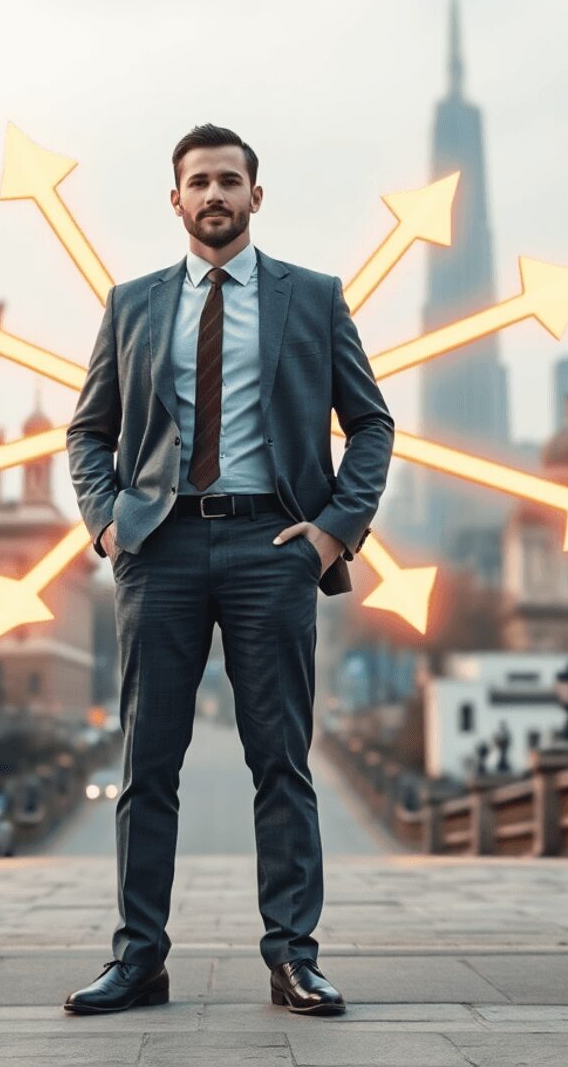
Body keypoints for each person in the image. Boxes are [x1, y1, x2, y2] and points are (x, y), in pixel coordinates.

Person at [64, 123, 394, 1016]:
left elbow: (371, 423)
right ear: (175, 200)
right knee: (148, 764)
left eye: (229, 181)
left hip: (272, 547)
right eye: (198, 182)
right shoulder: (130, 304)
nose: (214, 196)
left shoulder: (314, 298)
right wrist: (107, 528)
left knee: (281, 762)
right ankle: (139, 960)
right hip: (158, 548)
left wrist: (332, 533)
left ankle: (294, 959)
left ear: (256, 194)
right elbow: (88, 431)